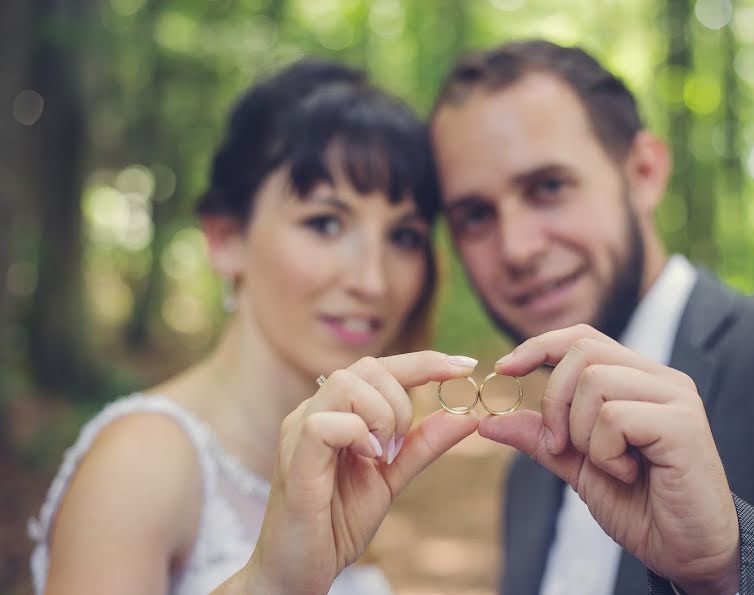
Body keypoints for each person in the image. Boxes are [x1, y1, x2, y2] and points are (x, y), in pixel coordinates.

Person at [430, 39, 754, 594]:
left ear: (644, 172)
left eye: (549, 187)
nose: (516, 248)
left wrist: (727, 566)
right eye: (475, 216)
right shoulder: (531, 469)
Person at [29, 58, 482, 595]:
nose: (373, 280)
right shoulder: (142, 464)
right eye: (325, 223)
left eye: (404, 236)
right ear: (226, 240)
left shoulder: (351, 455)